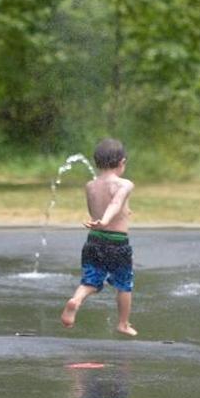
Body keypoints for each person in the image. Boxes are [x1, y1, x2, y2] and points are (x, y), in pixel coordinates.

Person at [61, 138, 137, 336]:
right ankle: (123, 323)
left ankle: (76, 300)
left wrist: (102, 220)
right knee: (124, 284)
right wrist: (106, 220)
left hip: (94, 240)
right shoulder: (125, 184)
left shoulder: (90, 185)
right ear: (122, 162)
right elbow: (115, 203)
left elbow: (94, 210)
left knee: (91, 280)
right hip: (117, 242)